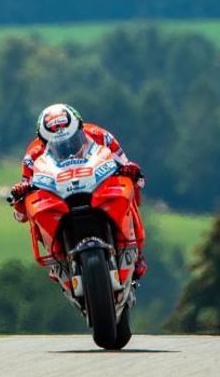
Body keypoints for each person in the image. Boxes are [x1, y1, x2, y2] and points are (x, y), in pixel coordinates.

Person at [9, 103, 147, 278]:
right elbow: (20, 211)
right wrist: (20, 197)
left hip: (96, 185)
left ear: (80, 129)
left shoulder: (101, 136)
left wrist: (131, 171)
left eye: (72, 141)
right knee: (34, 208)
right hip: (59, 193)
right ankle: (57, 258)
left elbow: (134, 173)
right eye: (57, 145)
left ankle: (137, 251)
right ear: (43, 141)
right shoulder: (32, 155)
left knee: (129, 185)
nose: (67, 148)